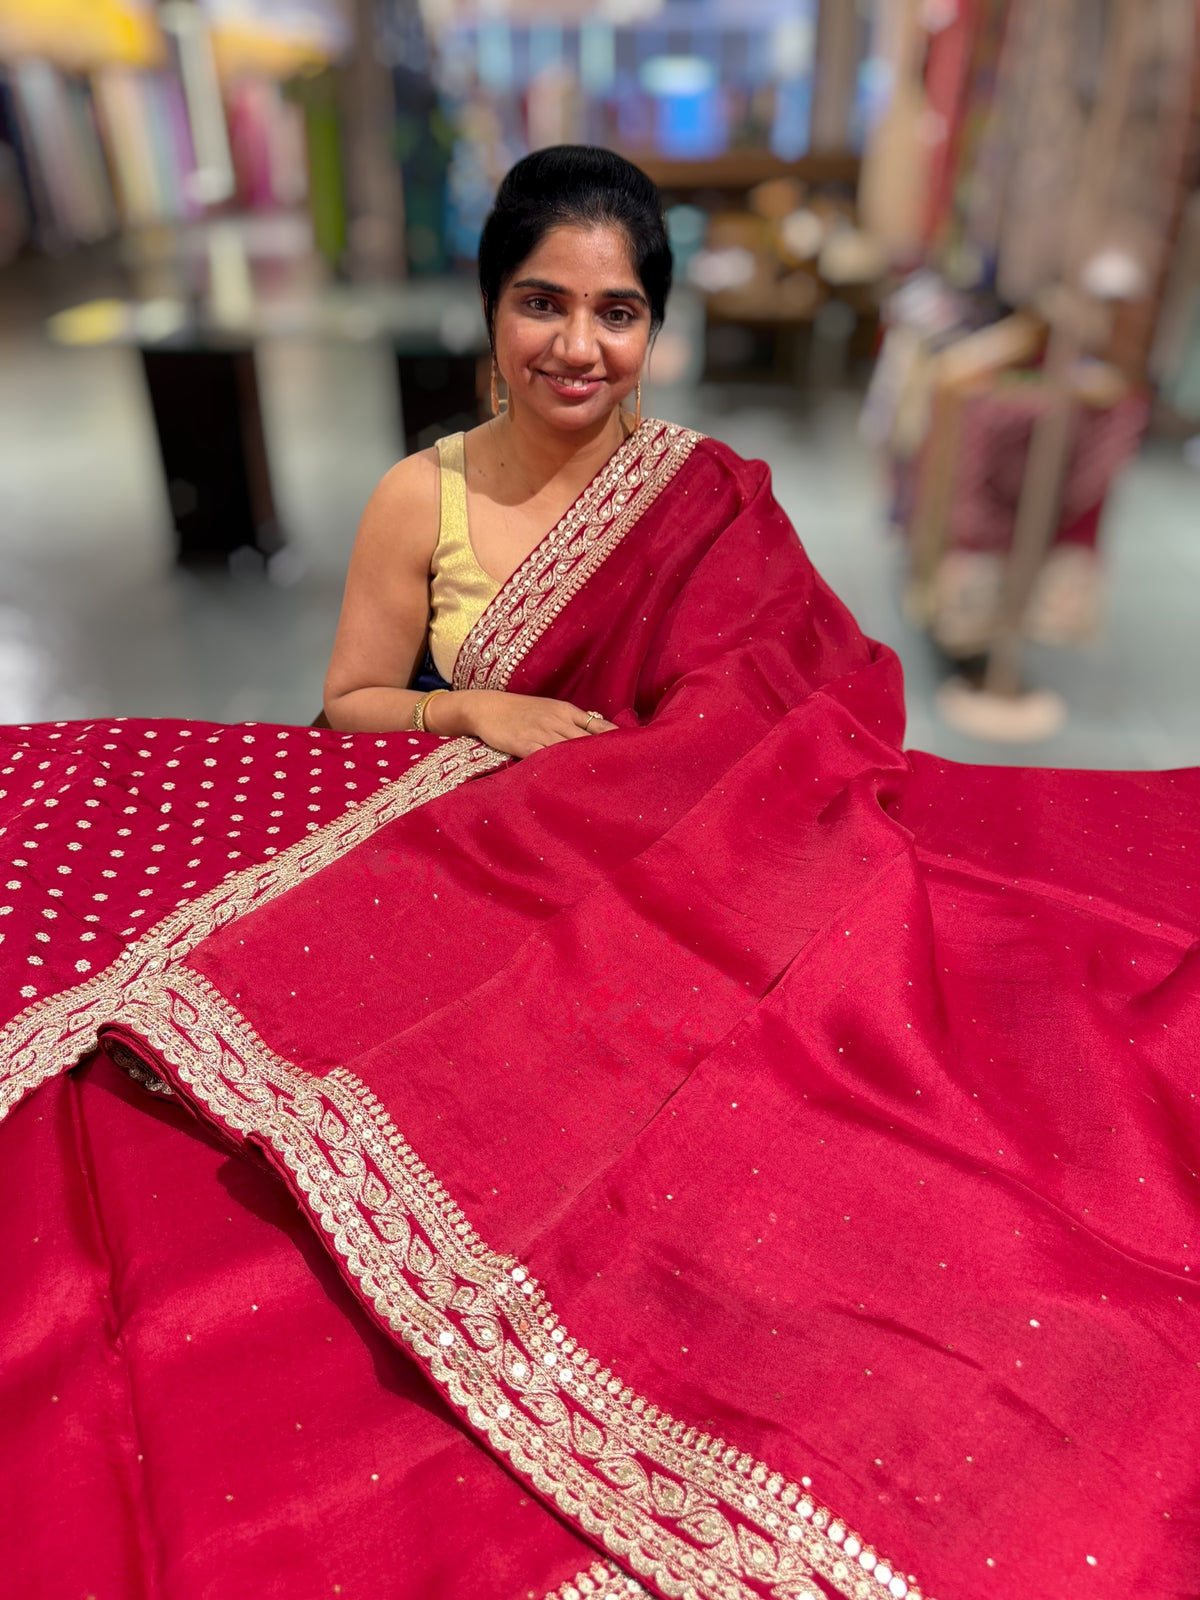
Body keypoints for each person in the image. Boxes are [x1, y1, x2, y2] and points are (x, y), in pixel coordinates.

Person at [1, 147, 1198, 1600]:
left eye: (616, 311)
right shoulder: (418, 500)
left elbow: (809, 705)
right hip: (492, 866)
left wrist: (691, 790)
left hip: (691, 867)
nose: (579, 345)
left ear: (655, 324)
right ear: (493, 309)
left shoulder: (706, 498)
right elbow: (349, 712)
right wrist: (472, 710)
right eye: (542, 303)